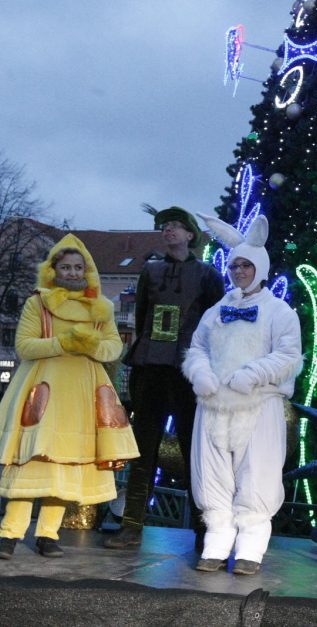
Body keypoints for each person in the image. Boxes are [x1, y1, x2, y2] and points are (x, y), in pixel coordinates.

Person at [0, 234, 139, 559]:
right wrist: (63, 343)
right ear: (54, 270)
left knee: (66, 466)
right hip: (43, 392)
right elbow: (24, 345)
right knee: (31, 464)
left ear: (87, 270)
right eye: (65, 266)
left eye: (77, 266)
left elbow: (114, 348)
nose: (71, 272)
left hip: (82, 395)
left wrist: (90, 344)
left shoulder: (101, 309)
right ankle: (9, 535)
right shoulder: (36, 303)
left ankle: (48, 536)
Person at [180, 214, 303, 575]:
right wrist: (200, 373)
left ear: (259, 267)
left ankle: (251, 546)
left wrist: (252, 374)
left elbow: (288, 354)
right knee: (212, 474)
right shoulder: (216, 310)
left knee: (257, 474)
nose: (239, 271)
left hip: (258, 405)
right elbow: (198, 347)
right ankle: (216, 541)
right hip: (215, 406)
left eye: (246, 265)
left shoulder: (278, 311)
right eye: (234, 265)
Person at [105, 207, 225, 550]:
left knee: (194, 451)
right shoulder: (151, 271)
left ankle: (205, 531)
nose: (168, 231)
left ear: (190, 235)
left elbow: (216, 324)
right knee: (143, 451)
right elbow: (142, 317)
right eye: (165, 227)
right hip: (151, 369)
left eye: (176, 227)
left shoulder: (207, 275)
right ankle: (131, 527)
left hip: (188, 372)